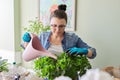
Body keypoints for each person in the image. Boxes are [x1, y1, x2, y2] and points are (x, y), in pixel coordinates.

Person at [22, 4, 96, 59]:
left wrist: (85, 51)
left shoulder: (73, 38)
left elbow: (93, 53)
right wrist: (27, 41)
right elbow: (28, 51)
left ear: (65, 25)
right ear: (50, 24)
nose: (57, 30)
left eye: (61, 26)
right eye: (54, 25)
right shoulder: (42, 36)